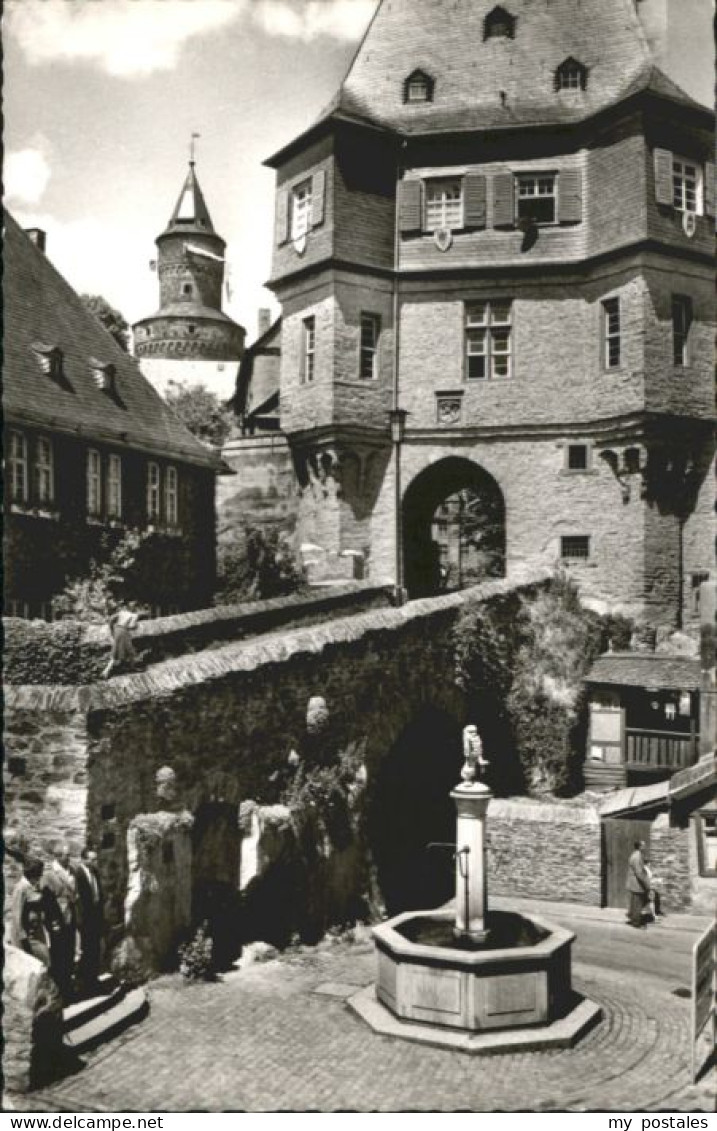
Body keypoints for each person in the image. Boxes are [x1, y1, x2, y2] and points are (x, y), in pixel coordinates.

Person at [42, 842, 78, 1001]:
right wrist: (52, 922)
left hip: (71, 917)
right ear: (57, 856)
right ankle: (60, 990)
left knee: (70, 952)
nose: (69, 857)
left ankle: (68, 987)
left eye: (69, 855)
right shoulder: (49, 875)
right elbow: (47, 902)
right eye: (66, 855)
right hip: (57, 920)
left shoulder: (72, 870)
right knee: (58, 954)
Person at [73, 846, 104, 992]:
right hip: (85, 919)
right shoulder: (78, 874)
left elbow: (98, 894)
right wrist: (80, 920)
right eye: (92, 859)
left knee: (95, 949)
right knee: (86, 950)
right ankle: (85, 982)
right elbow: (78, 900)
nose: (94, 862)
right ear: (83, 859)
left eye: (95, 859)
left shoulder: (95, 872)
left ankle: (93, 979)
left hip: (96, 917)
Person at [10, 858, 51, 968]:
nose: (41, 876)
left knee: (43, 962)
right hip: (27, 936)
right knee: (39, 963)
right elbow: (16, 914)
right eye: (39, 873)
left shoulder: (31, 885)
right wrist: (22, 938)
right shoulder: (21, 888)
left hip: (36, 931)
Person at [102, 608, 141, 679]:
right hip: (123, 631)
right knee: (117, 652)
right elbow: (131, 626)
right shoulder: (134, 615)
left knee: (129, 650)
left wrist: (112, 630)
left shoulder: (122, 612)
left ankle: (132, 667)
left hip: (117, 629)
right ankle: (106, 671)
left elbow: (111, 620)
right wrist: (136, 626)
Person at [625, 839, 651, 928]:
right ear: (640, 847)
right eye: (643, 845)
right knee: (638, 903)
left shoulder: (636, 855)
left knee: (635, 902)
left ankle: (632, 916)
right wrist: (646, 883)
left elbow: (640, 864)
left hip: (634, 882)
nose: (645, 847)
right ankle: (636, 922)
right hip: (637, 883)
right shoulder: (637, 857)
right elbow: (639, 872)